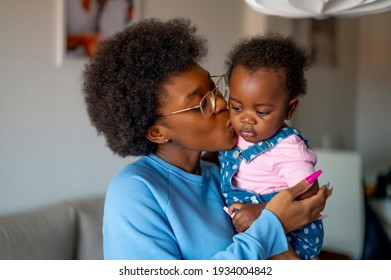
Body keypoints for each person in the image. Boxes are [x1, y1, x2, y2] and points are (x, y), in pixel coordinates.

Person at [81, 17, 332, 260]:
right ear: (158, 132)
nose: (223, 103)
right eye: (202, 103)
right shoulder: (135, 190)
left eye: (214, 88)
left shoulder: (225, 176)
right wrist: (273, 223)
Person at [219, 33, 324, 260]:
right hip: (250, 229)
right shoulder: (234, 133)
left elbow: (309, 192)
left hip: (292, 233)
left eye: (262, 112)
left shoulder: (288, 148)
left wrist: (262, 213)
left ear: (289, 108)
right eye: (237, 107)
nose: (246, 119)